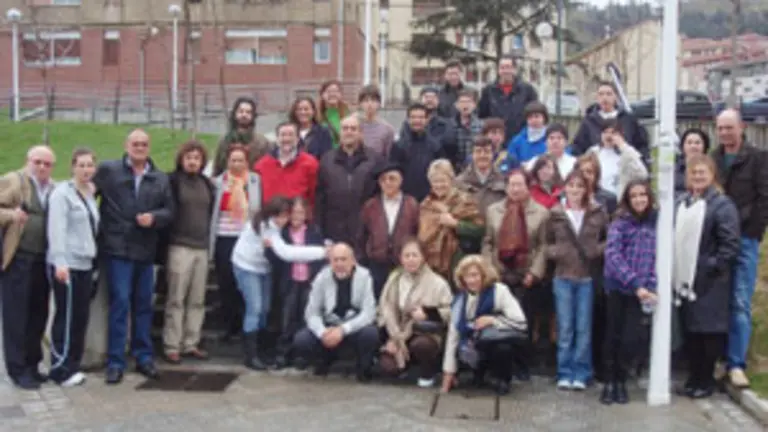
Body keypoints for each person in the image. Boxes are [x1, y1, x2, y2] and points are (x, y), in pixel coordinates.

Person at [94, 129, 174, 385]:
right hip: (118, 249)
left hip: (146, 250)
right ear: (126, 145)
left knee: (143, 305)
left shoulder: (160, 178)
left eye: (144, 144)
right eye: (135, 143)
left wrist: (155, 218)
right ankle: (115, 361)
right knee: (119, 304)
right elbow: (85, 194)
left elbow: (170, 211)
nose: (140, 147)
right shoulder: (109, 170)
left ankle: (143, 357)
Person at [231, 196, 328, 370]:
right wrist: (323, 252)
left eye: (285, 216)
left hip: (263, 268)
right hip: (246, 266)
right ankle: (251, 355)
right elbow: (287, 253)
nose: (282, 220)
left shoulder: (279, 229)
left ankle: (261, 350)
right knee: (255, 308)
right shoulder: (265, 226)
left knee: (265, 309)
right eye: (279, 215)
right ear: (270, 213)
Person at [674, 155, 740, 399]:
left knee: (708, 334)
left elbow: (730, 245)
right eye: (694, 173)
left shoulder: (722, 205)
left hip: (710, 281)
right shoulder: (683, 202)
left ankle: (706, 381)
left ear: (712, 175)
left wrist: (710, 266)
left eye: (702, 172)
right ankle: (693, 379)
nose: (698, 177)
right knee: (691, 333)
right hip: (685, 279)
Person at [711, 109, 768, 388]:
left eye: (729, 128)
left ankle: (736, 363)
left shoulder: (757, 158)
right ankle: (718, 359)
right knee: (716, 302)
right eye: (720, 128)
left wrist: (753, 232)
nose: (724, 133)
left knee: (740, 301)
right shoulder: (714, 159)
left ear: (741, 127)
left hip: (745, 239)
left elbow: (764, 199)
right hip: (717, 241)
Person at [483, 169, 549, 379]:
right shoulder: (494, 210)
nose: (515, 189)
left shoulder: (540, 213)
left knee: (524, 320)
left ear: (527, 186)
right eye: (512, 184)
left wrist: (535, 272)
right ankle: (500, 365)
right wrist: (490, 270)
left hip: (526, 274)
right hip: (499, 272)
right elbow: (487, 242)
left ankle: (522, 364)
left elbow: (543, 246)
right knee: (499, 318)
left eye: (520, 184)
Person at [546, 170, 609, 390]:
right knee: (565, 328)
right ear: (565, 187)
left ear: (586, 189)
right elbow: (546, 242)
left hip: (586, 277)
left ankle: (582, 372)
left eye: (579, 186)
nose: (575, 190)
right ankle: (564, 371)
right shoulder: (555, 213)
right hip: (562, 276)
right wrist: (557, 252)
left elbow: (608, 240)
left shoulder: (597, 212)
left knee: (583, 327)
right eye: (571, 185)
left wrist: (595, 250)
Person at [0, 145, 56, 390]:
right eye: (38, 162)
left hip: (42, 261)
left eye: (47, 163)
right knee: (16, 317)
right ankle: (17, 369)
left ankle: (33, 365)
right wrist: (12, 215)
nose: (42, 167)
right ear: (28, 160)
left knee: (38, 314)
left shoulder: (53, 188)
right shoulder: (15, 180)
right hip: (19, 258)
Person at [601, 179, 658, 405]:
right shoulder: (620, 223)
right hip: (619, 287)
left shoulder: (656, 223)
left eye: (642, 195)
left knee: (630, 339)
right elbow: (613, 255)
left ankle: (622, 380)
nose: (639, 199)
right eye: (634, 196)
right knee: (612, 335)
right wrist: (635, 283)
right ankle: (609, 382)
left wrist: (650, 285)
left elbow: (657, 257)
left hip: (642, 291)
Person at [46, 148, 97, 387]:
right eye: (82, 165)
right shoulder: (62, 194)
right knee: (65, 318)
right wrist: (60, 262)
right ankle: (60, 368)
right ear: (72, 167)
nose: (86, 170)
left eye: (90, 165)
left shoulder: (89, 193)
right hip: (67, 265)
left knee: (79, 317)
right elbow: (57, 230)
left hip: (85, 264)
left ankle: (73, 364)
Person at [440, 255, 528, 395]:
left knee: (503, 348)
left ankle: (502, 379)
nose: (471, 280)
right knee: (457, 343)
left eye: (475, 275)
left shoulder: (500, 291)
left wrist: (492, 320)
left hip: (496, 339)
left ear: (484, 274)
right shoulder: (459, 300)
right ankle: (477, 373)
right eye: (467, 276)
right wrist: (448, 374)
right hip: (472, 343)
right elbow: (453, 337)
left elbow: (521, 322)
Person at [160, 141, 215, 364]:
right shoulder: (172, 182)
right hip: (179, 246)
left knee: (197, 299)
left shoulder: (206, 184)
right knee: (176, 298)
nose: (193, 162)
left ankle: (191, 342)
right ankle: (172, 344)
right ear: (182, 159)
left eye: (197, 158)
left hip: (201, 247)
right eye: (189, 157)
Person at [294, 243, 379, 382]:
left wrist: (342, 330)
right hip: (329, 325)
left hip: (353, 326)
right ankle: (324, 360)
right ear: (330, 261)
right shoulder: (322, 277)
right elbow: (311, 313)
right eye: (335, 260)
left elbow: (368, 313)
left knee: (371, 333)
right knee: (301, 340)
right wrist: (322, 333)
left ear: (353, 260)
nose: (339, 264)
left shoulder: (365, 277)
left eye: (343, 259)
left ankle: (364, 368)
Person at [378, 239, 453, 388]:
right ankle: (403, 365)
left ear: (423, 257)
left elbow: (450, 312)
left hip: (424, 333)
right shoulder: (394, 280)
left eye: (415, 255)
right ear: (401, 258)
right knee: (388, 368)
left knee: (422, 345)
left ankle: (428, 373)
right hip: (399, 332)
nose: (411, 259)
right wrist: (392, 338)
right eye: (407, 256)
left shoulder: (437, 283)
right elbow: (385, 309)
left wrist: (428, 313)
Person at [210, 145, 262, 342]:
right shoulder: (218, 183)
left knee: (245, 283)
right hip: (224, 236)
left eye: (241, 160)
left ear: (247, 162)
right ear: (227, 162)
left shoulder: (255, 181)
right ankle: (229, 324)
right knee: (226, 282)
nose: (237, 164)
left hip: (246, 238)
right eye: (233, 160)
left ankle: (245, 325)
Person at [272, 198, 327, 369]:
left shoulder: (313, 232)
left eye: (301, 213)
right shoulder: (282, 233)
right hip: (289, 281)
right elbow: (276, 259)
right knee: (287, 319)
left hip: (308, 282)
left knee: (306, 318)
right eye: (294, 213)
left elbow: (320, 258)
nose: (297, 216)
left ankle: (302, 355)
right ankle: (283, 353)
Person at [357, 163, 420, 300]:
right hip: (377, 264)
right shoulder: (371, 205)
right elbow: (362, 235)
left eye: (392, 178)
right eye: (383, 179)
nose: (388, 183)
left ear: (401, 180)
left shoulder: (412, 204)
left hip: (403, 264)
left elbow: (417, 233)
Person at [315, 115, 380, 244]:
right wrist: (320, 231)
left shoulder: (374, 159)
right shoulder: (327, 160)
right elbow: (320, 198)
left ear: (360, 133)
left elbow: (378, 196)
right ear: (340, 132)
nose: (349, 132)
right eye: (345, 128)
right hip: (334, 229)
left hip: (365, 230)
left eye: (353, 129)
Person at [418, 160, 484, 282]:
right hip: (431, 265)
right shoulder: (425, 205)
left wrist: (456, 224)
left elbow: (480, 230)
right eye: (435, 181)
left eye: (443, 180)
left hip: (457, 263)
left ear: (451, 180)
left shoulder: (464, 200)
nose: (439, 185)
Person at [571, 81, 649, 163]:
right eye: (601, 94)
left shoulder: (628, 119)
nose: (605, 98)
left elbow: (641, 145)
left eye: (609, 94)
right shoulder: (589, 121)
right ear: (597, 97)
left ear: (615, 96)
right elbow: (578, 148)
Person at [255, 122, 319, 208]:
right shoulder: (262, 165)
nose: (286, 139)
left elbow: (314, 196)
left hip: (298, 218)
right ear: (277, 139)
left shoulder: (311, 163)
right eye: (283, 135)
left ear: (297, 139)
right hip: (270, 218)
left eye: (291, 135)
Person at [390, 103, 446, 202]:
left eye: (421, 117)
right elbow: (393, 174)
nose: (417, 121)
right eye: (413, 117)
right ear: (407, 120)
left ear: (427, 120)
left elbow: (441, 174)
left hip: (430, 200)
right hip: (405, 200)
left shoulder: (436, 146)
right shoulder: (398, 146)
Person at [478, 54, 539, 142]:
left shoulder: (527, 90)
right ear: (498, 70)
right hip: (495, 141)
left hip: (521, 140)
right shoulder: (488, 91)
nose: (505, 71)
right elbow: (482, 116)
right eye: (502, 67)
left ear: (514, 69)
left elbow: (535, 113)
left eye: (508, 67)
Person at [586, 118, 648, 200]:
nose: (609, 136)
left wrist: (623, 146)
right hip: (596, 199)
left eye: (613, 132)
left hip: (618, 200)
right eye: (605, 132)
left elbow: (642, 174)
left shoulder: (626, 154)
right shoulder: (593, 152)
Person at [212, 96, 271, 176]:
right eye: (241, 111)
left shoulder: (262, 143)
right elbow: (217, 169)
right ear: (235, 114)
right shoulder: (224, 141)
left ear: (253, 116)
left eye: (248, 112)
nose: (244, 115)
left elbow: (268, 170)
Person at [455, 136, 507, 218]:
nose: (482, 155)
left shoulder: (503, 180)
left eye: (487, 151)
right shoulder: (459, 182)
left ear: (493, 154)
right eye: (478, 151)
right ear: (472, 155)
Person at [506, 101, 550, 167]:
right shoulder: (517, 141)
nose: (533, 120)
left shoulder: (552, 138)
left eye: (537, 116)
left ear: (544, 118)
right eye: (530, 117)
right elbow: (510, 163)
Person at [358, 84, 395, 159]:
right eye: (366, 100)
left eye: (373, 100)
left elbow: (387, 157)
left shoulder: (387, 129)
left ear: (379, 103)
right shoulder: (353, 126)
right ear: (360, 104)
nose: (369, 104)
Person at [452, 89, 483, 171]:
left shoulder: (481, 126)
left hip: (475, 168)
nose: (465, 105)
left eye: (469, 102)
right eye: (462, 102)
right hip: (455, 168)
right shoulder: (449, 125)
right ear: (456, 105)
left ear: (474, 105)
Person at [675, 128, 711, 197]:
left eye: (697, 143)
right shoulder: (674, 168)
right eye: (689, 143)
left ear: (705, 146)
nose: (693, 146)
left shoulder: (711, 167)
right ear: (683, 146)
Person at [317, 79, 351, 148]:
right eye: (328, 91)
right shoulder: (316, 115)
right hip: (325, 155)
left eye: (336, 91)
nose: (332, 94)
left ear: (341, 94)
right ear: (322, 95)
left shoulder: (348, 114)